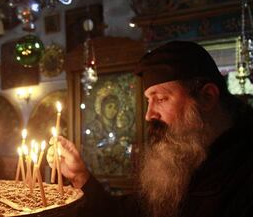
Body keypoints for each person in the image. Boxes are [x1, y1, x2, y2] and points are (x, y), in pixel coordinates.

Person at [48, 41, 253, 217]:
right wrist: (80, 176)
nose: (149, 115)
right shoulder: (187, 157)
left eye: (161, 99)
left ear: (207, 97)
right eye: (149, 101)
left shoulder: (244, 171)